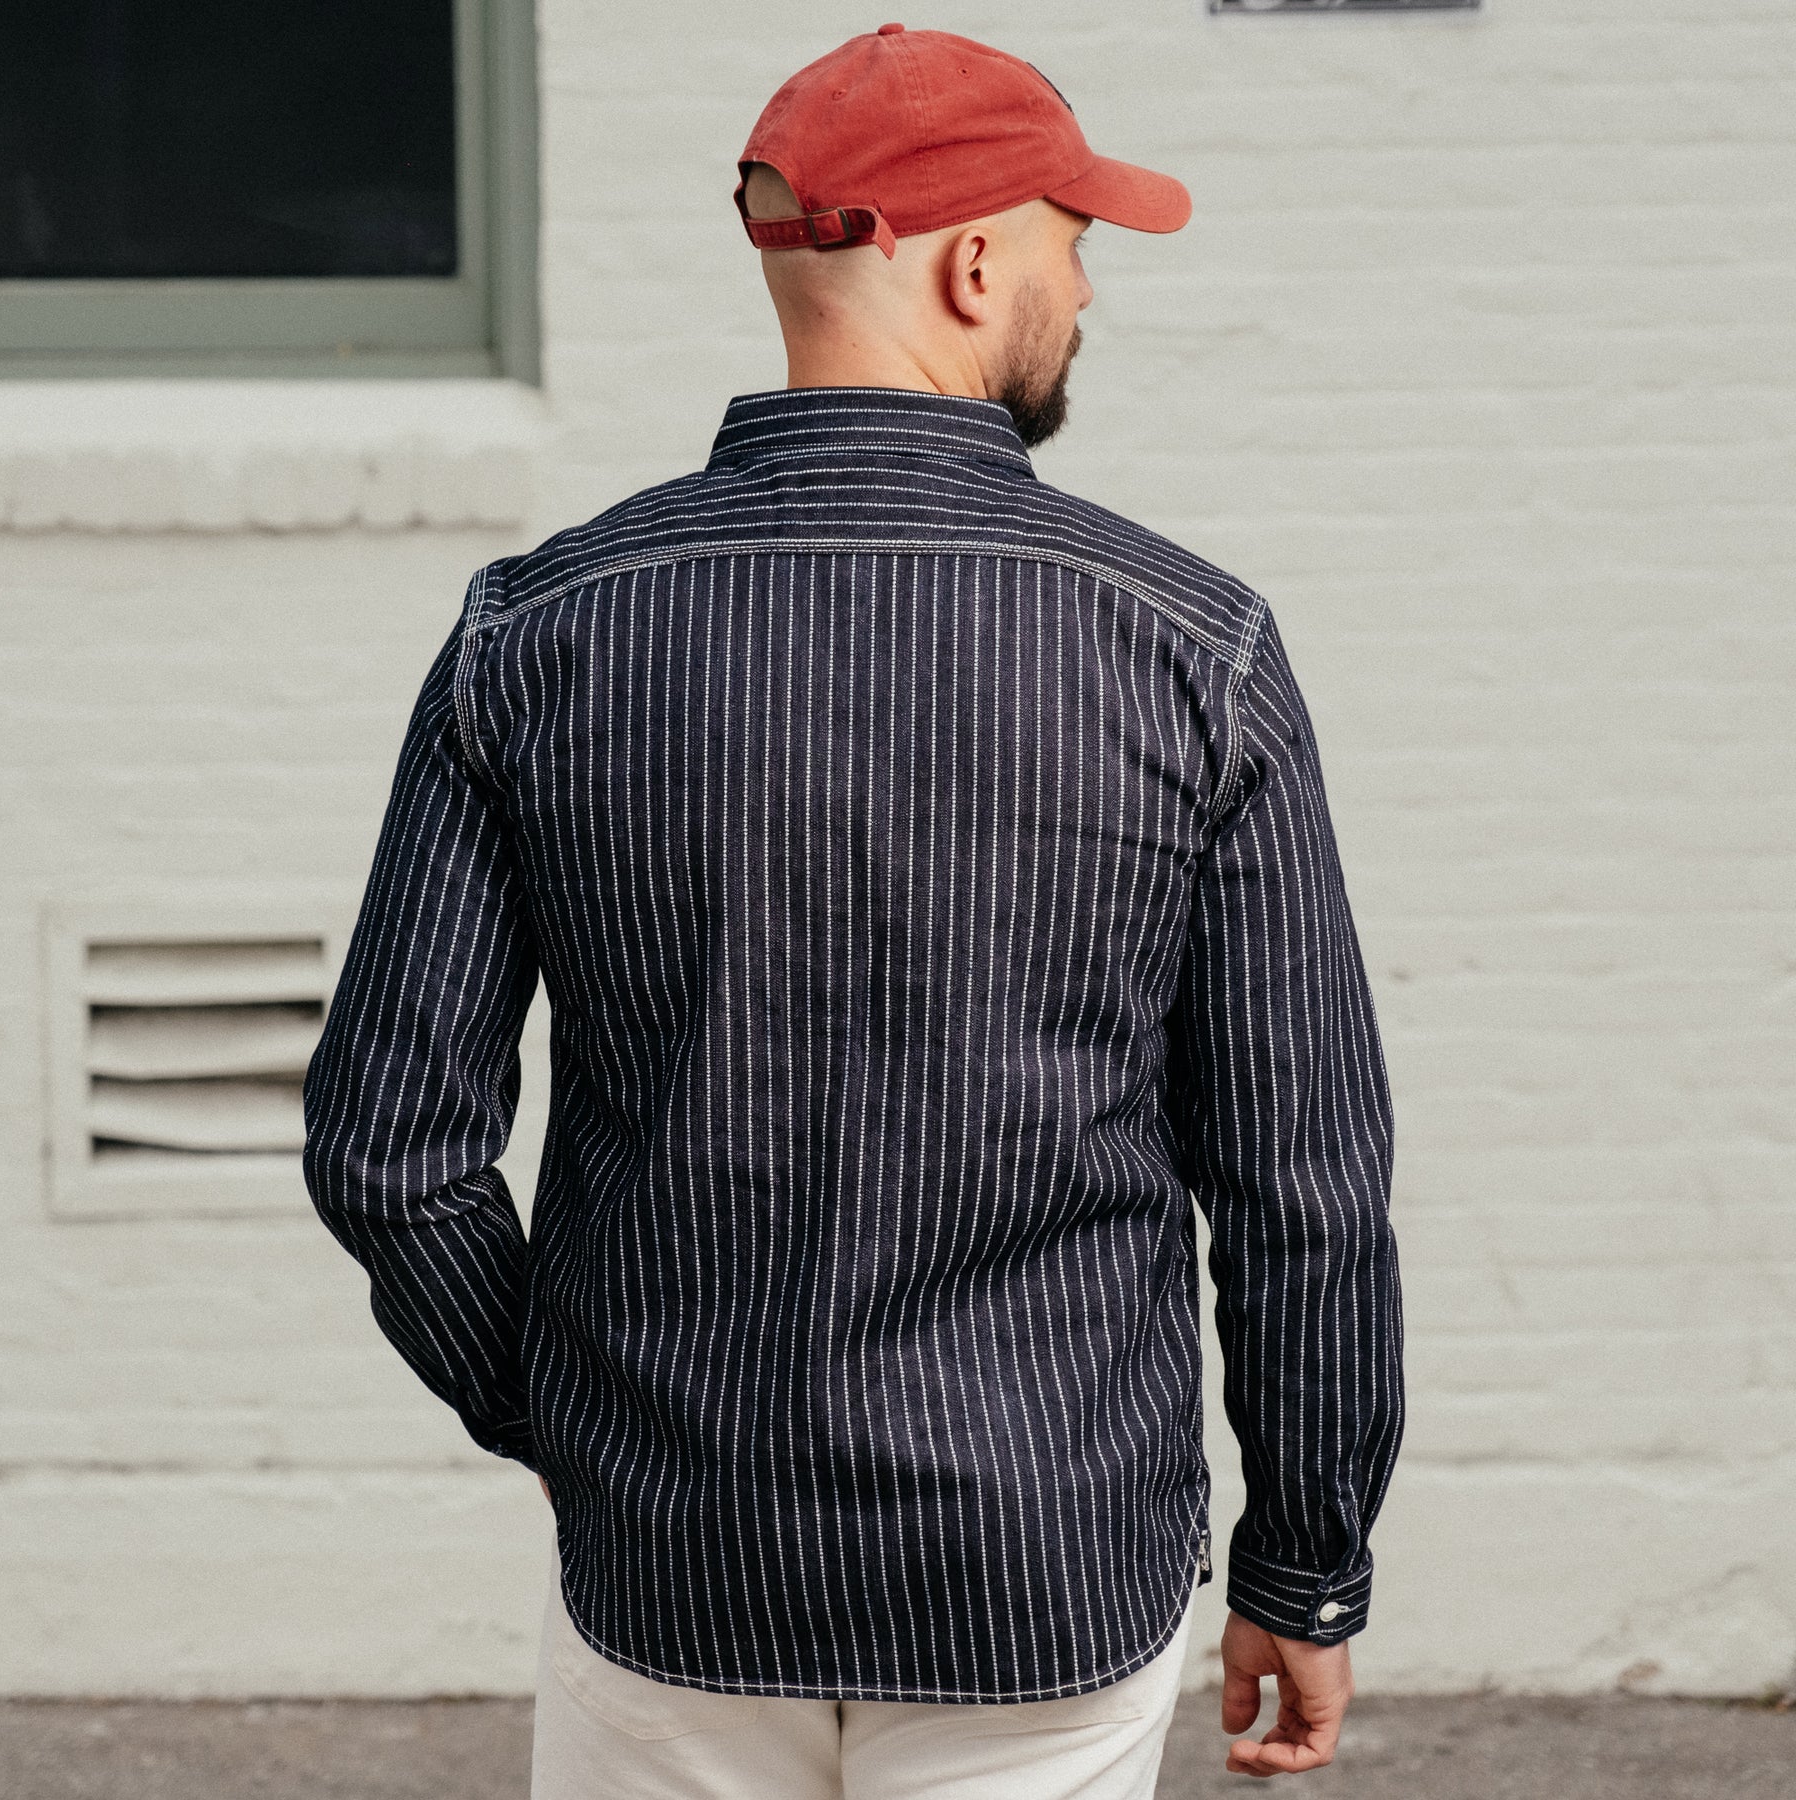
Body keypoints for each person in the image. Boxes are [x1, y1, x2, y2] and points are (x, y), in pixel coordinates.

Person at [302, 23, 1404, 1799]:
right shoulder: (1196, 656)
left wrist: (571, 1417)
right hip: (1037, 1583)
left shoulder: (540, 631)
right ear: (974, 264)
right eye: (1072, 241)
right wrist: (1306, 1557)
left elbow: (387, 1150)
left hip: (668, 1573)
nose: (1085, 290)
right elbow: (1303, 1179)